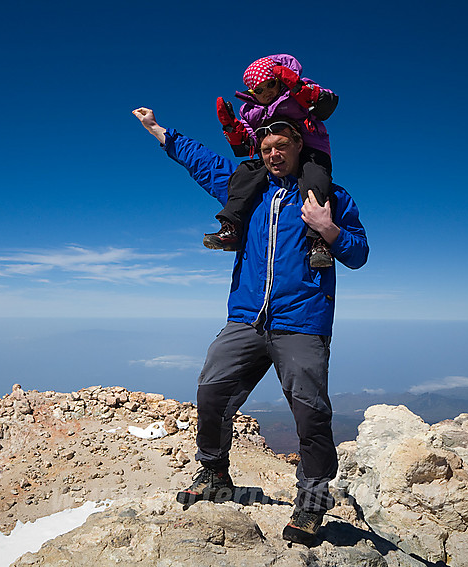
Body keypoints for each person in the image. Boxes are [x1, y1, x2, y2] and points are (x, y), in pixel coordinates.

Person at [131, 106, 369, 545]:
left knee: (310, 413)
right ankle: (214, 472)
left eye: (282, 146)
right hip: (246, 319)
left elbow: (358, 253)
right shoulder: (249, 189)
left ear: (300, 145)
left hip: (302, 323)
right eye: (266, 149)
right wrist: (158, 130)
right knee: (211, 389)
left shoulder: (330, 196)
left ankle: (312, 504)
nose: (274, 154)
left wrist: (327, 229)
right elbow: (202, 160)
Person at [206, 54, 339, 270]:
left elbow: (325, 104)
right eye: (259, 90)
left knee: (314, 179)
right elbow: (248, 143)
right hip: (274, 156)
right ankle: (232, 227)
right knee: (244, 172)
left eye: (270, 84)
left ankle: (318, 242)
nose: (266, 93)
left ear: (279, 80)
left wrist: (297, 88)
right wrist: (232, 128)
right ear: (251, 93)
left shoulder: (295, 94)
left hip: (313, 150)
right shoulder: (251, 112)